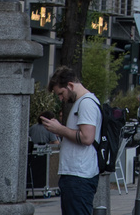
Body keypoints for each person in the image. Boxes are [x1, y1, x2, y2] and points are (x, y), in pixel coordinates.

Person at [41, 66, 103, 215]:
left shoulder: (86, 103)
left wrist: (59, 129)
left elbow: (87, 137)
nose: (61, 99)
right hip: (77, 175)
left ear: (70, 85)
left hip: (79, 175)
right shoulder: (83, 102)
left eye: (61, 93)